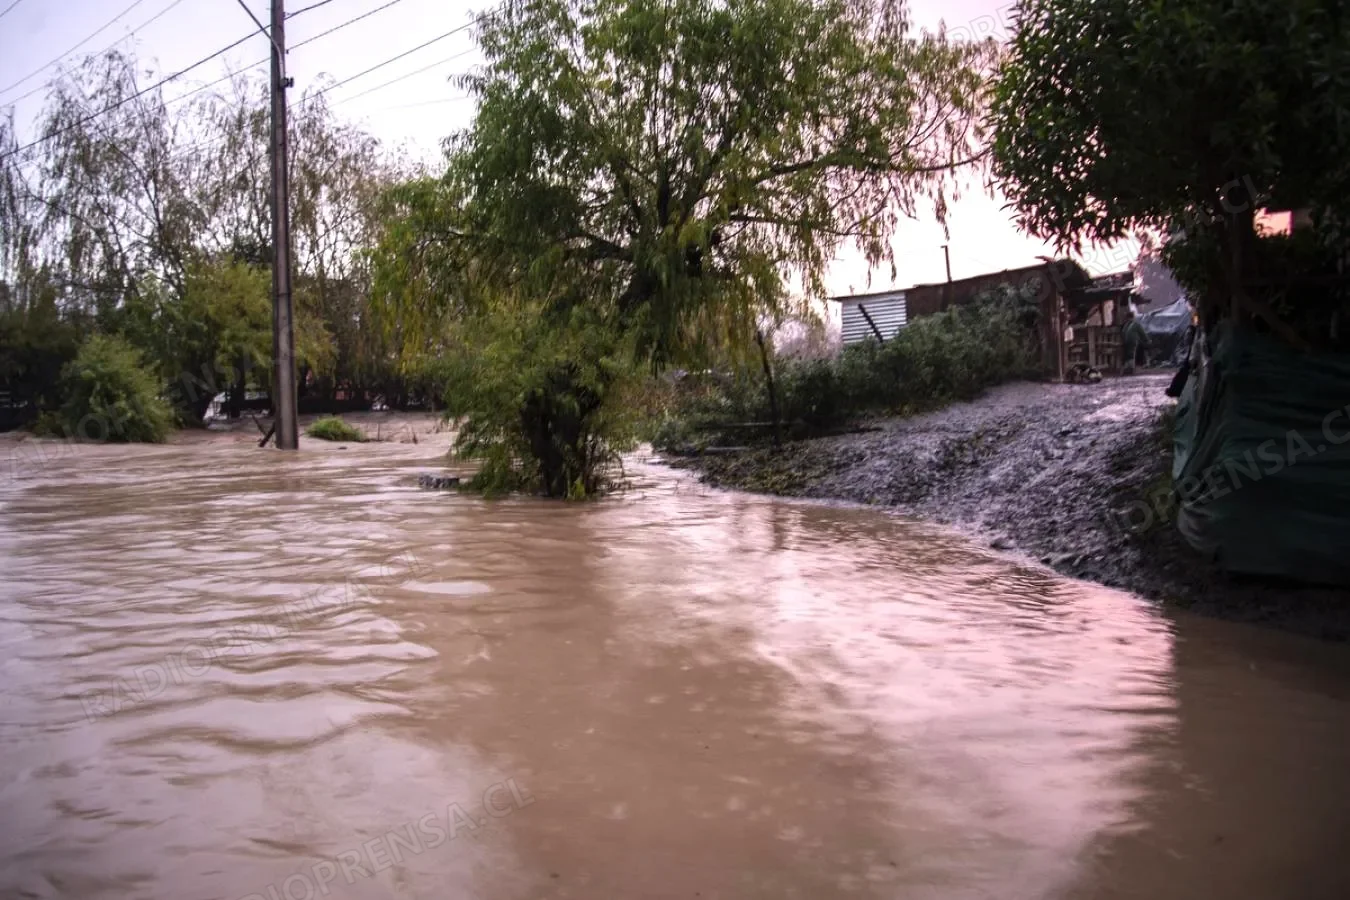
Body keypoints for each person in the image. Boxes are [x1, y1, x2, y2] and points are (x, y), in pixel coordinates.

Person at [1121, 308, 1149, 375]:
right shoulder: (1127, 325)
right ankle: (1128, 369)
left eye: (1130, 318)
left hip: (1132, 343)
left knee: (1131, 355)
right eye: (1128, 318)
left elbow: (1142, 333)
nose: (1129, 319)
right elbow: (1123, 333)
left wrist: (1147, 340)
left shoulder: (1135, 325)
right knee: (1128, 355)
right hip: (1128, 343)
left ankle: (1131, 369)